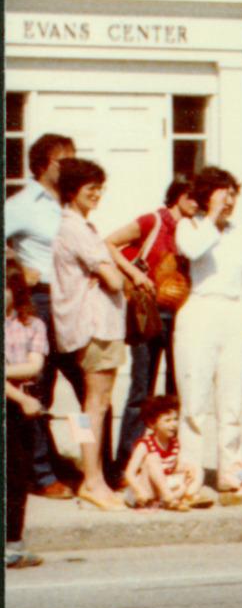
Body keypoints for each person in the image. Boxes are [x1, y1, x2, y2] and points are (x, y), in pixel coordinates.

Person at [173, 167, 242, 491]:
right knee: (194, 399)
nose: (229, 202)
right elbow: (194, 250)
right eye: (222, 194)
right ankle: (190, 471)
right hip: (200, 310)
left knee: (232, 399)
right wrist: (211, 216)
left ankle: (230, 469)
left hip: (234, 313)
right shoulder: (189, 226)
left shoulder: (241, 233)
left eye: (232, 195)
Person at [106, 175, 203, 470]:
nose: (197, 204)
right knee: (141, 388)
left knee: (177, 388)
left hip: (180, 315)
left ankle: (170, 458)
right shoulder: (153, 221)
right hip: (148, 313)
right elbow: (109, 243)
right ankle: (127, 461)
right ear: (179, 195)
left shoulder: (194, 229)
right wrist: (134, 274)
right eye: (193, 197)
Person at [50, 158, 129, 512]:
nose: (97, 194)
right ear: (72, 192)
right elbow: (114, 280)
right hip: (96, 326)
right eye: (90, 189)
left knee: (88, 407)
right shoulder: (78, 229)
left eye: (100, 187)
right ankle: (93, 481)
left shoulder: (74, 227)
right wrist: (114, 275)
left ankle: (91, 476)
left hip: (84, 327)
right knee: (96, 406)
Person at [5, 131, 81, 497]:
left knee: (89, 390)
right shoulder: (22, 204)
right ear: (43, 165)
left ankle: (90, 462)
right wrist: (16, 267)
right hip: (43, 301)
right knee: (40, 391)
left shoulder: (73, 202)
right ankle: (42, 474)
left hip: (78, 303)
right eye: (64, 159)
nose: (72, 165)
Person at [5, 263, 49, 566]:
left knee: (18, 476)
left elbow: (34, 366)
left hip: (23, 408)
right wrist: (19, 395)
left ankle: (13, 543)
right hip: (19, 400)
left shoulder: (32, 324)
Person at [121, 394, 213, 510]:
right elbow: (130, 473)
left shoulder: (174, 443)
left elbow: (171, 467)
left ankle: (189, 496)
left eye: (175, 419)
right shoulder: (144, 444)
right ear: (152, 423)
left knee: (196, 468)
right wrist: (139, 491)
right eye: (167, 420)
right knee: (152, 458)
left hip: (161, 487)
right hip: (144, 490)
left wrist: (186, 468)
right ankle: (169, 498)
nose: (173, 424)